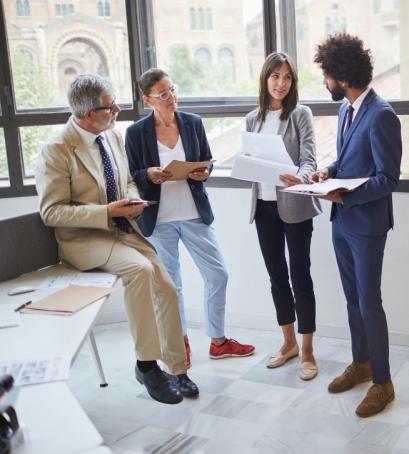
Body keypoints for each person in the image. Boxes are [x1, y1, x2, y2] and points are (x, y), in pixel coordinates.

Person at [35, 74, 199, 405]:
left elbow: (125, 181)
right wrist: (106, 211)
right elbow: (51, 212)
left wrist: (132, 203)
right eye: (110, 107)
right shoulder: (56, 150)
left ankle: (177, 369)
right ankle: (146, 365)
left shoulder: (111, 137)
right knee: (140, 271)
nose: (118, 111)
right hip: (86, 239)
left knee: (165, 286)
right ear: (86, 113)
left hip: (125, 230)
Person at [125, 68, 255, 367]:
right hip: (158, 220)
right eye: (163, 94)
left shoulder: (193, 123)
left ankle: (219, 341)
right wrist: (149, 174)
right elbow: (130, 175)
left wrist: (202, 172)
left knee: (217, 274)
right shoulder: (135, 133)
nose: (172, 97)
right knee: (172, 287)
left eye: (173, 89)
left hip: (194, 214)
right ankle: (179, 341)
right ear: (148, 100)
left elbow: (207, 162)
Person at [311, 34, 402, 417]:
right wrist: (327, 173)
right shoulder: (348, 110)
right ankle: (361, 362)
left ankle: (382, 381)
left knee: (369, 302)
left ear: (342, 76)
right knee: (352, 300)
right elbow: (349, 161)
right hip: (341, 222)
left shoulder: (381, 114)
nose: (325, 83)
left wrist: (344, 195)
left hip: (365, 224)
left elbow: (387, 178)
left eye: (327, 76)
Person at [245, 52, 322, 380]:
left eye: (287, 77)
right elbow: (251, 159)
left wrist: (300, 178)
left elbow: (310, 159)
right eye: (275, 76)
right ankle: (288, 343)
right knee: (277, 278)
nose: (281, 83)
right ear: (265, 79)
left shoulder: (300, 114)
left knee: (300, 277)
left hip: (294, 205)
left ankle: (307, 350)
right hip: (263, 206)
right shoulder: (253, 118)